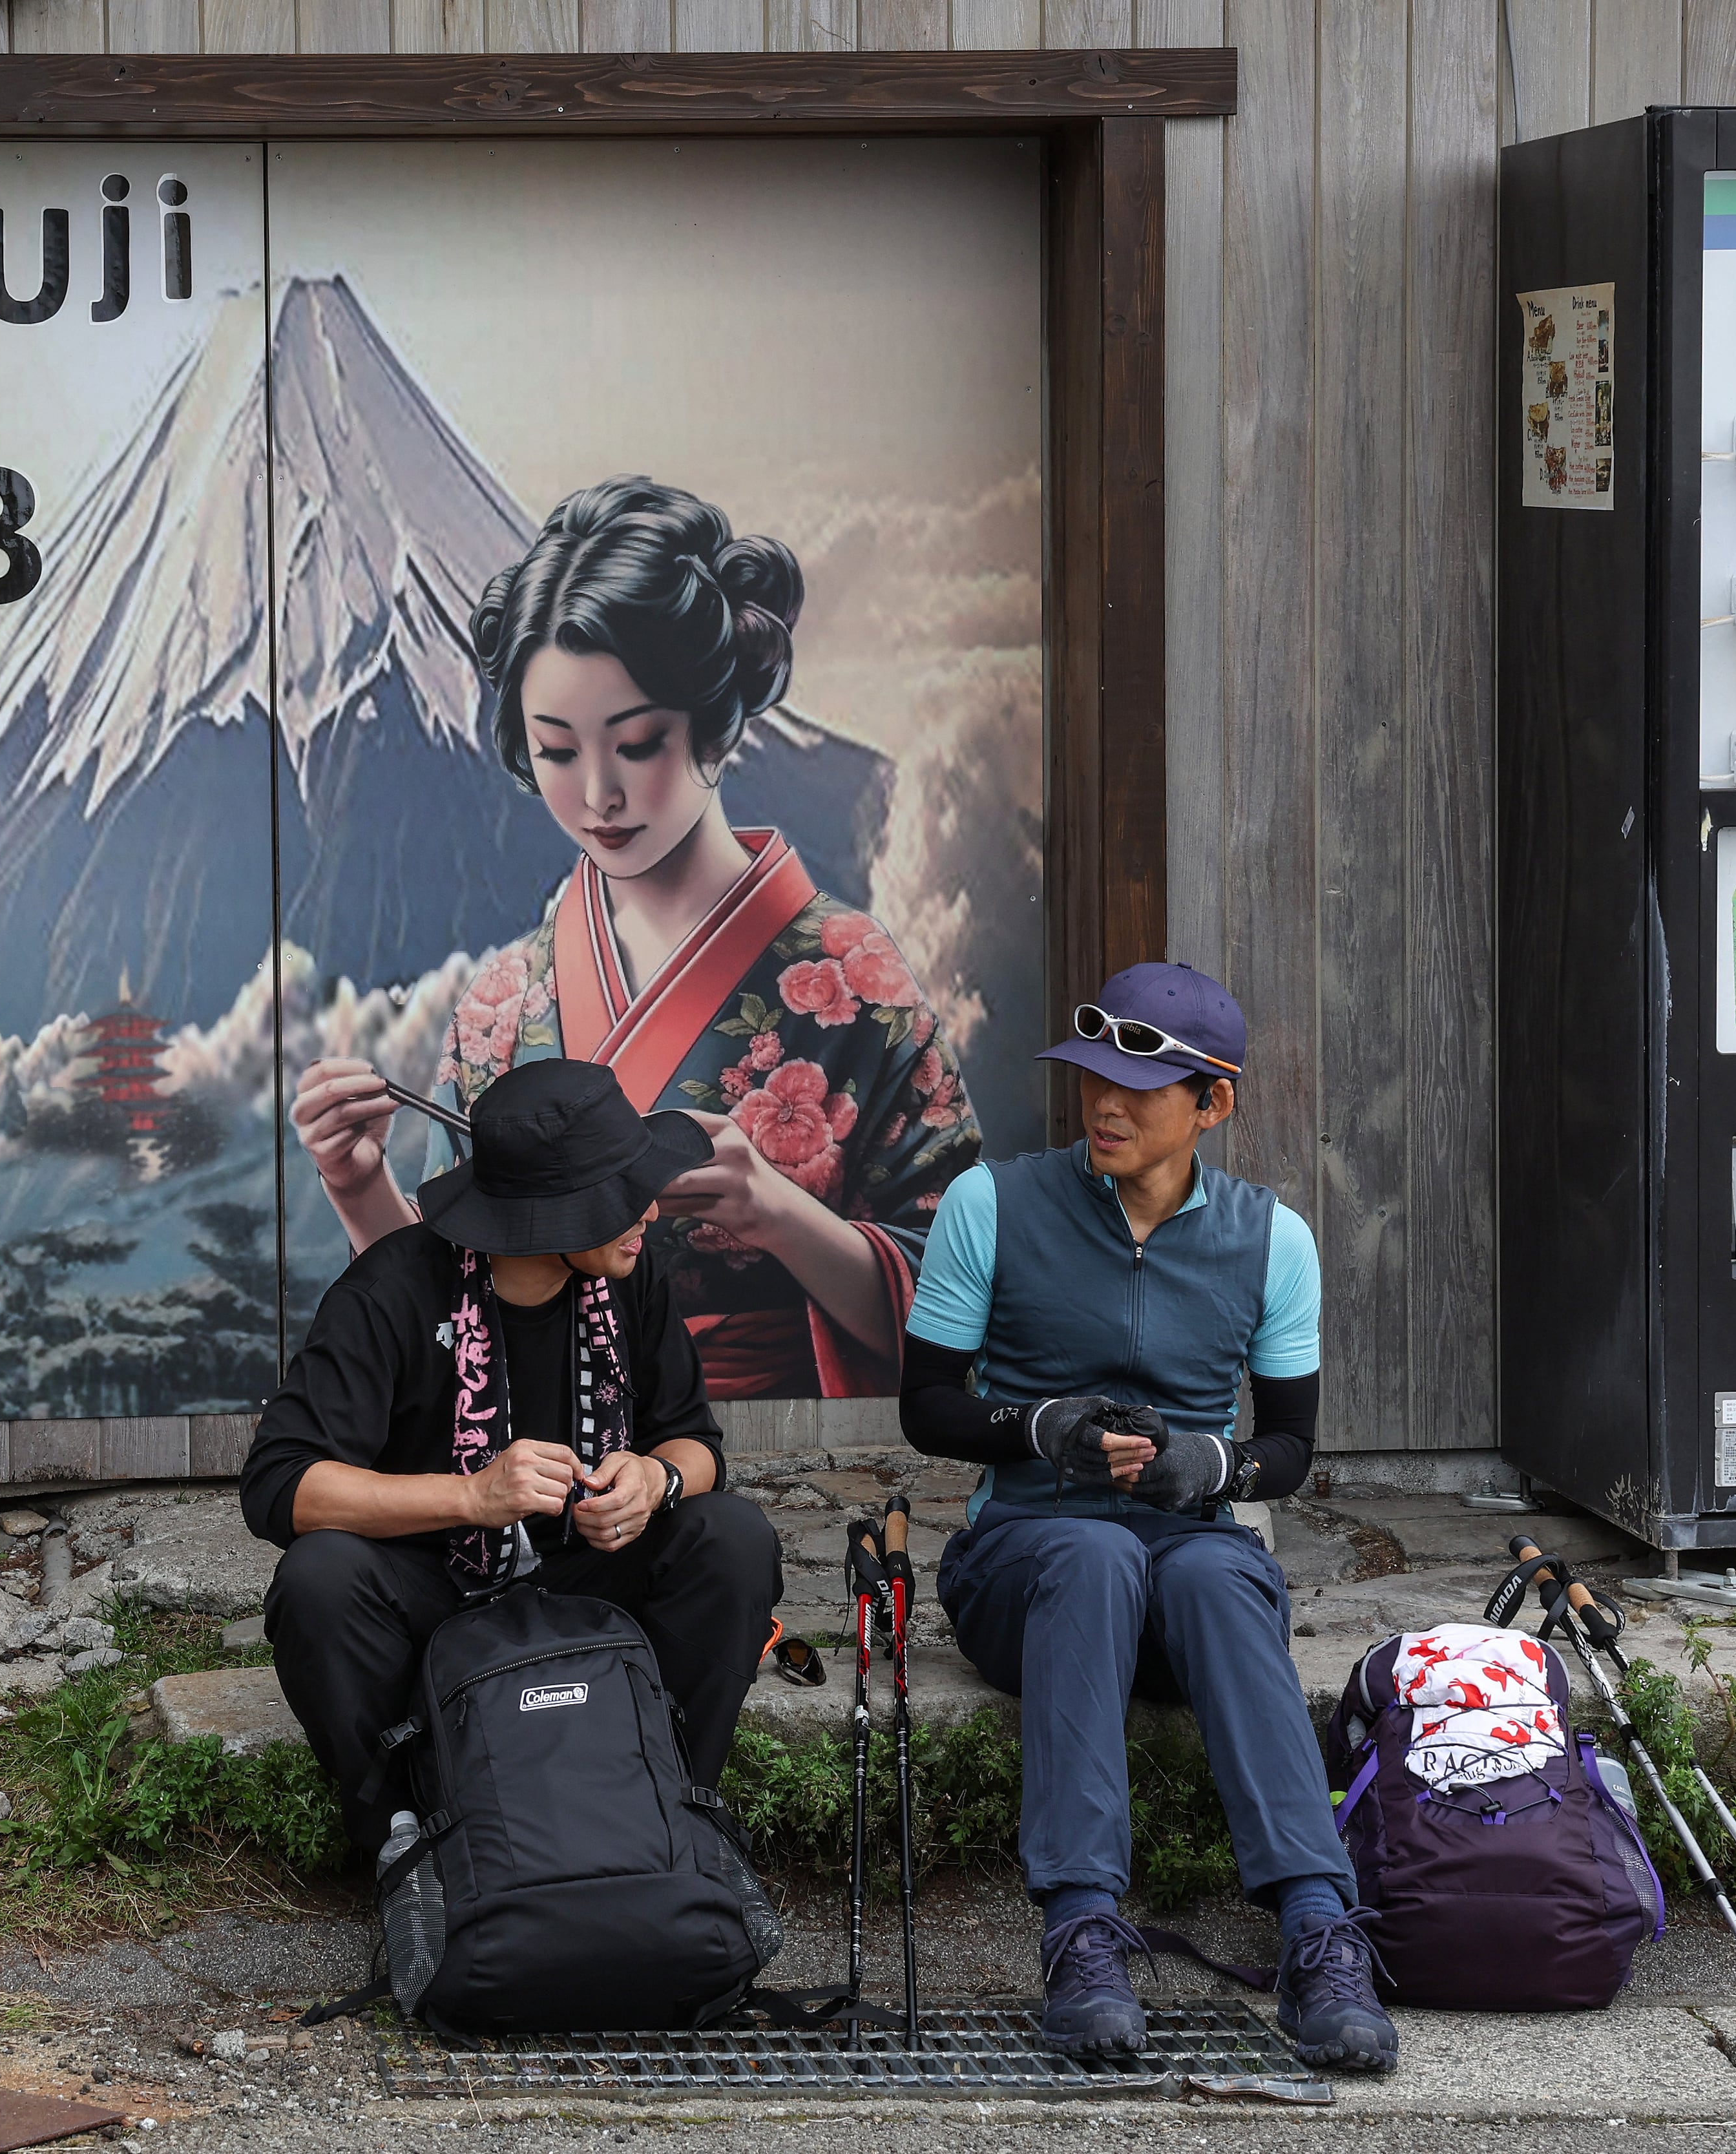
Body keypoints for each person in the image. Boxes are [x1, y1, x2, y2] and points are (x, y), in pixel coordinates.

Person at [289, 477, 981, 1401]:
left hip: (770, 1452)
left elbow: (966, 1291)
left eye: (639, 742)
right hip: (541, 1453)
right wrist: (361, 1186)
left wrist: (777, 1212)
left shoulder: (851, 978)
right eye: (559, 751)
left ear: (715, 726)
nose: (599, 795)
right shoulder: (505, 1002)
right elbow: (446, 1319)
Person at [898, 962, 1396, 2073]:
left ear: (1212, 1103)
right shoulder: (994, 1202)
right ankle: (1081, 1926)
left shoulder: (1275, 1241)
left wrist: (1205, 1462)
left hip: (1187, 1558)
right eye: (1092, 1081)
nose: (1105, 1105)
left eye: (1140, 1088)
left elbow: (1291, 1449)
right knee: (1091, 1550)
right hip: (1025, 1559)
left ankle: (1319, 1926)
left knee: (1218, 1574)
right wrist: (1040, 1428)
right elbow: (926, 1406)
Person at [243, 1056, 784, 1859]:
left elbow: (693, 1442)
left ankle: (677, 1800)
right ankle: (402, 1835)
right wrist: (471, 1496)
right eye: (622, 1198)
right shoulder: (390, 1291)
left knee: (730, 1539)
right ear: (552, 1217)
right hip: (432, 1592)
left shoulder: (632, 1279)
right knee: (319, 1579)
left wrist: (654, 1479)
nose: (650, 1211)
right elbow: (280, 1484)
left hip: (587, 1576)